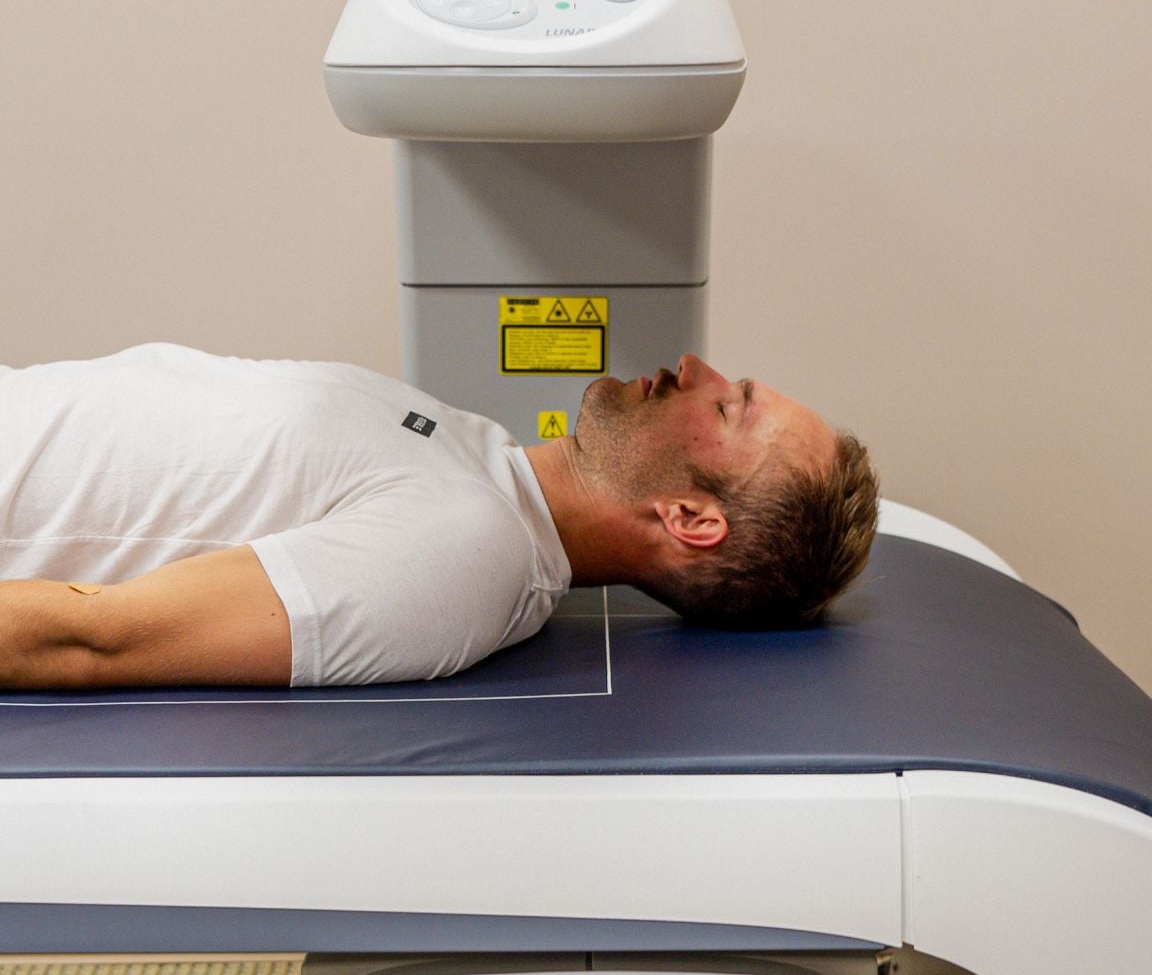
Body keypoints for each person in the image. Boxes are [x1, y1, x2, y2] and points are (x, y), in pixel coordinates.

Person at [0, 342, 878, 690]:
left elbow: (94, 638)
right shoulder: (485, 466)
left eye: (730, 409)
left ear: (689, 516)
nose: (694, 366)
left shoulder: (465, 549)